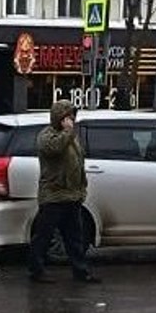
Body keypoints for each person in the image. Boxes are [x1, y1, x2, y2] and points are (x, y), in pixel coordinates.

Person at [29, 100, 99, 285]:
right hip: (53, 195)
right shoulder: (47, 135)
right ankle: (36, 270)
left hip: (72, 196)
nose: (71, 120)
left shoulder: (71, 137)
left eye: (72, 117)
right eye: (68, 117)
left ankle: (81, 271)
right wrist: (67, 132)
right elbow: (54, 149)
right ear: (59, 117)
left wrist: (81, 188)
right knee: (43, 236)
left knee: (75, 238)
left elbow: (78, 163)